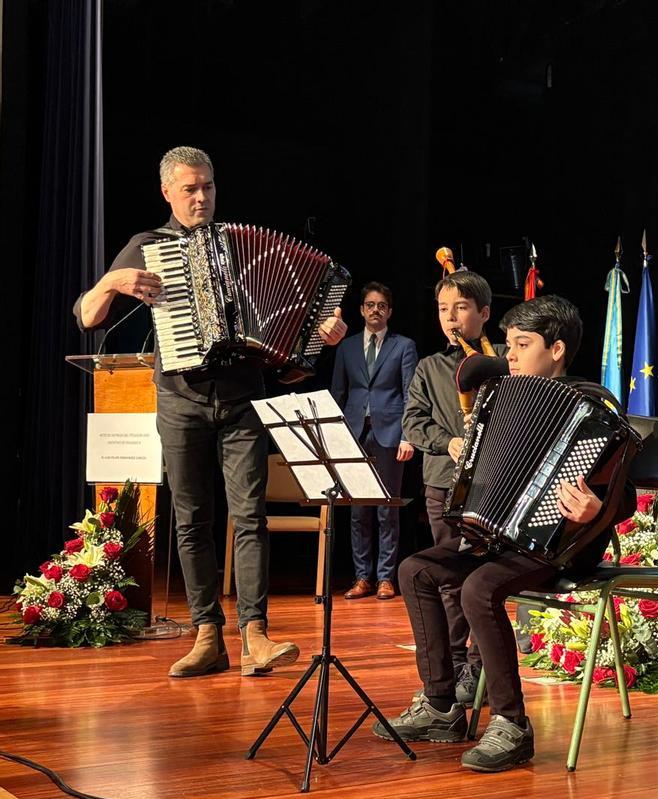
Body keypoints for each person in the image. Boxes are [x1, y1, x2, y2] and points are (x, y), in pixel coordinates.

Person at [74, 146, 347, 678]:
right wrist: (111, 282)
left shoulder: (243, 250)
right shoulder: (147, 246)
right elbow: (87, 315)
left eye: (208, 187)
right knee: (191, 519)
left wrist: (320, 338)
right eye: (190, 189)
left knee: (249, 517)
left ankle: (255, 636)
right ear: (167, 193)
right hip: (179, 401)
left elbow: (290, 350)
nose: (201, 197)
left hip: (243, 396)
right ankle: (206, 635)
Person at [380, 296, 635, 772]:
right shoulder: (502, 396)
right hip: (501, 539)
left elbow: (625, 496)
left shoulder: (594, 407)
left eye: (522, 344)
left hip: (560, 545)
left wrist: (597, 508)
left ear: (556, 349)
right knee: (416, 569)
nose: (510, 354)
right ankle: (441, 706)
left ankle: (512, 724)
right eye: (510, 344)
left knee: (479, 587)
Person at [401, 270, 504, 702]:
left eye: (460, 307)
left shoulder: (506, 360)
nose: (450, 316)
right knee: (447, 580)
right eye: (443, 308)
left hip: (496, 490)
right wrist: (450, 442)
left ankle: (480, 668)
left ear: (483, 312)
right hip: (445, 486)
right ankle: (457, 666)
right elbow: (413, 422)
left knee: (485, 580)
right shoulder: (429, 367)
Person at [331, 281, 418, 600]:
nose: (375, 310)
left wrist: (408, 435)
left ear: (389, 311)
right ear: (362, 310)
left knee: (386, 509)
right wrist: (335, 438)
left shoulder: (403, 346)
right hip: (354, 433)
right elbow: (338, 393)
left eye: (381, 305)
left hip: (390, 434)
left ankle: (385, 578)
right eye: (370, 305)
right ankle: (361, 577)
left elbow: (411, 394)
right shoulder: (347, 346)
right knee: (358, 511)